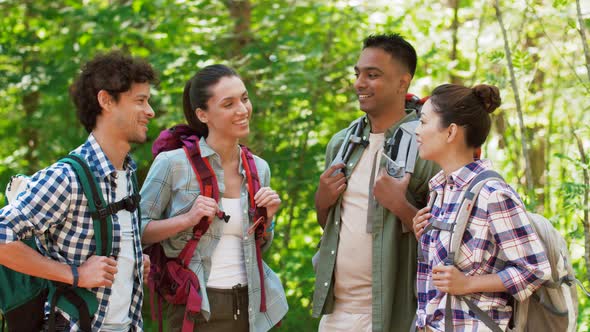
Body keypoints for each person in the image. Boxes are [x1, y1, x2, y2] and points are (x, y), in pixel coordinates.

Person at [0, 51, 157, 331]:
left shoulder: (127, 176)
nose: (150, 111)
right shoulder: (67, 177)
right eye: (140, 100)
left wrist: (132, 261)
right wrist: (75, 274)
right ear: (106, 100)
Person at [140, 64, 288, 332]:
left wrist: (268, 218)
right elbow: (134, 232)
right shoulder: (173, 164)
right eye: (228, 104)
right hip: (196, 308)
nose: (242, 110)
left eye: (244, 99)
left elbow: (259, 246)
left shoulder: (259, 168)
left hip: (253, 308)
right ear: (202, 114)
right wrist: (187, 219)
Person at [312, 33, 440, 332]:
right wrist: (322, 201)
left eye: (373, 75)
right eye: (358, 74)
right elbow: (331, 226)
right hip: (336, 314)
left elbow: (446, 246)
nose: (359, 83)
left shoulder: (426, 148)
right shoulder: (341, 144)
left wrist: (400, 205)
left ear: (402, 83)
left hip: (394, 314)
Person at [412, 84, 551, 331]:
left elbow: (535, 270)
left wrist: (467, 284)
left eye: (423, 122)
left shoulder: (492, 194)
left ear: (450, 132)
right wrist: (426, 236)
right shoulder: (440, 189)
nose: (417, 131)